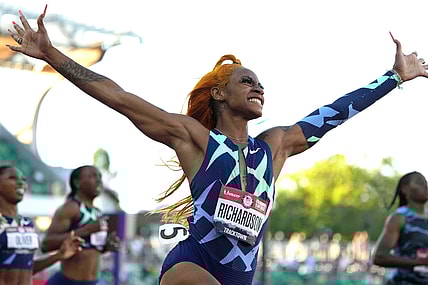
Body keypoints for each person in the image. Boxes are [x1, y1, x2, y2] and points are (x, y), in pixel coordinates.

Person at [6, 6, 428, 285]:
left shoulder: (276, 146)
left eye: (260, 82)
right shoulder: (196, 139)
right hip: (192, 267)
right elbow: (121, 99)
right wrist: (53, 56)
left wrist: (393, 79)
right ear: (220, 95)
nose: (258, 86)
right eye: (246, 80)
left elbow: (334, 113)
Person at [0, 165, 82, 285]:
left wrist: (59, 255)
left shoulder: (27, 224)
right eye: (12, 178)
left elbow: (28, 267)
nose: (20, 183)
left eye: (23, 180)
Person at [40, 165, 120, 285]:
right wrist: (86, 229)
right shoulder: (71, 208)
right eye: (92, 176)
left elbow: (88, 249)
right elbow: (46, 245)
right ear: (77, 183)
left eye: (99, 176)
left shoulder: (97, 212)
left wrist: (106, 247)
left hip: (94, 281)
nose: (98, 180)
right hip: (69, 281)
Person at [372, 171, 428, 284]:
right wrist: (417, 262)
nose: (425, 186)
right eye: (419, 183)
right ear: (405, 189)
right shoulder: (399, 218)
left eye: (426, 183)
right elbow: (379, 257)